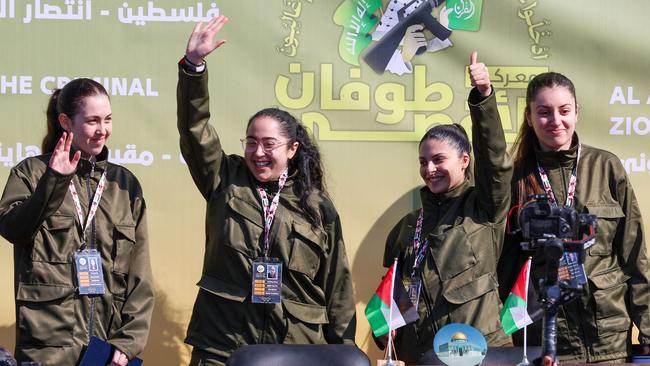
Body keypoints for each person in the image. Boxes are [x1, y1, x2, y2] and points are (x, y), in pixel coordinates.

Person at [177, 16, 356, 365]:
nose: (258, 152)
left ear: (292, 149)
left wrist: (344, 351)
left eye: (269, 144)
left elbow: (338, 285)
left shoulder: (317, 205)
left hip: (295, 349)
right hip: (222, 345)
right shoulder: (223, 178)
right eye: (251, 142)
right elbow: (194, 128)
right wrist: (193, 69)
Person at [499, 71, 650, 363]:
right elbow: (502, 269)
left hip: (608, 339)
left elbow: (634, 255)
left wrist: (647, 332)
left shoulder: (606, 166)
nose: (556, 120)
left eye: (564, 110)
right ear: (529, 117)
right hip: (545, 343)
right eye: (543, 112)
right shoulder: (514, 178)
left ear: (577, 112)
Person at [0, 78, 153, 365]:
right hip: (48, 348)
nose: (102, 130)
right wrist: (54, 181)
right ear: (65, 122)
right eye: (92, 120)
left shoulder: (125, 185)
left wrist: (128, 341)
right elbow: (12, 228)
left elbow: (140, 275)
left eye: (107, 119)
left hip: (105, 349)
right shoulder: (31, 173)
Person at [380, 52, 513, 364]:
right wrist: (382, 327)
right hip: (422, 355)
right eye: (423, 162)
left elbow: (496, 163)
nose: (429, 169)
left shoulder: (483, 208)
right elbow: (391, 288)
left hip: (480, 353)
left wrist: (483, 100)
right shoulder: (408, 225)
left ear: (464, 160)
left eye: (439, 160)